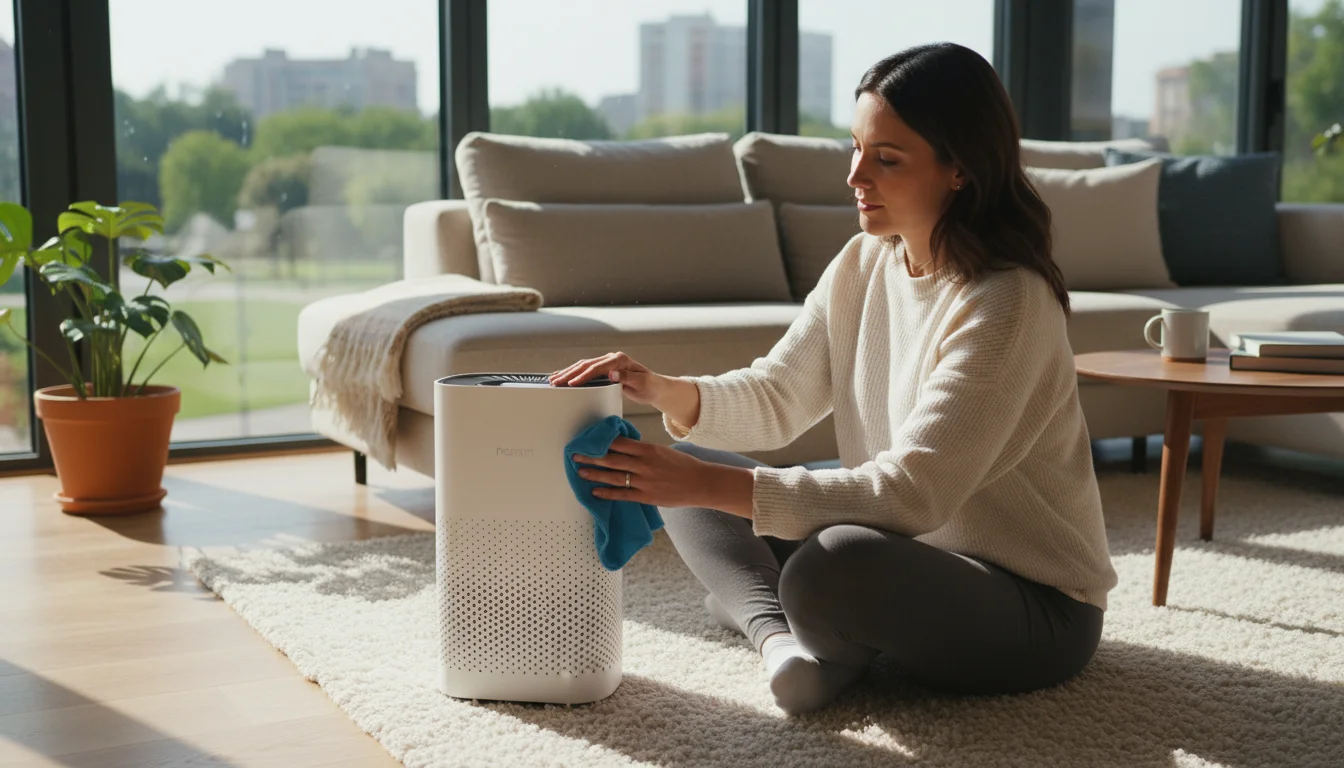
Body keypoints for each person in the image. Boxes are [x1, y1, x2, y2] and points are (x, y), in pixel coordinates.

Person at [550, 42, 1117, 716]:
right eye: (855, 149)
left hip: (1036, 608)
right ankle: (786, 646)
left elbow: (912, 494)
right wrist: (664, 389)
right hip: (905, 553)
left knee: (830, 562)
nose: (855, 176)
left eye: (887, 159)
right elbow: (779, 394)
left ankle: (792, 618)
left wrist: (705, 484)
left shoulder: (1008, 301)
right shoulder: (863, 261)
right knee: (689, 464)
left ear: (960, 168)